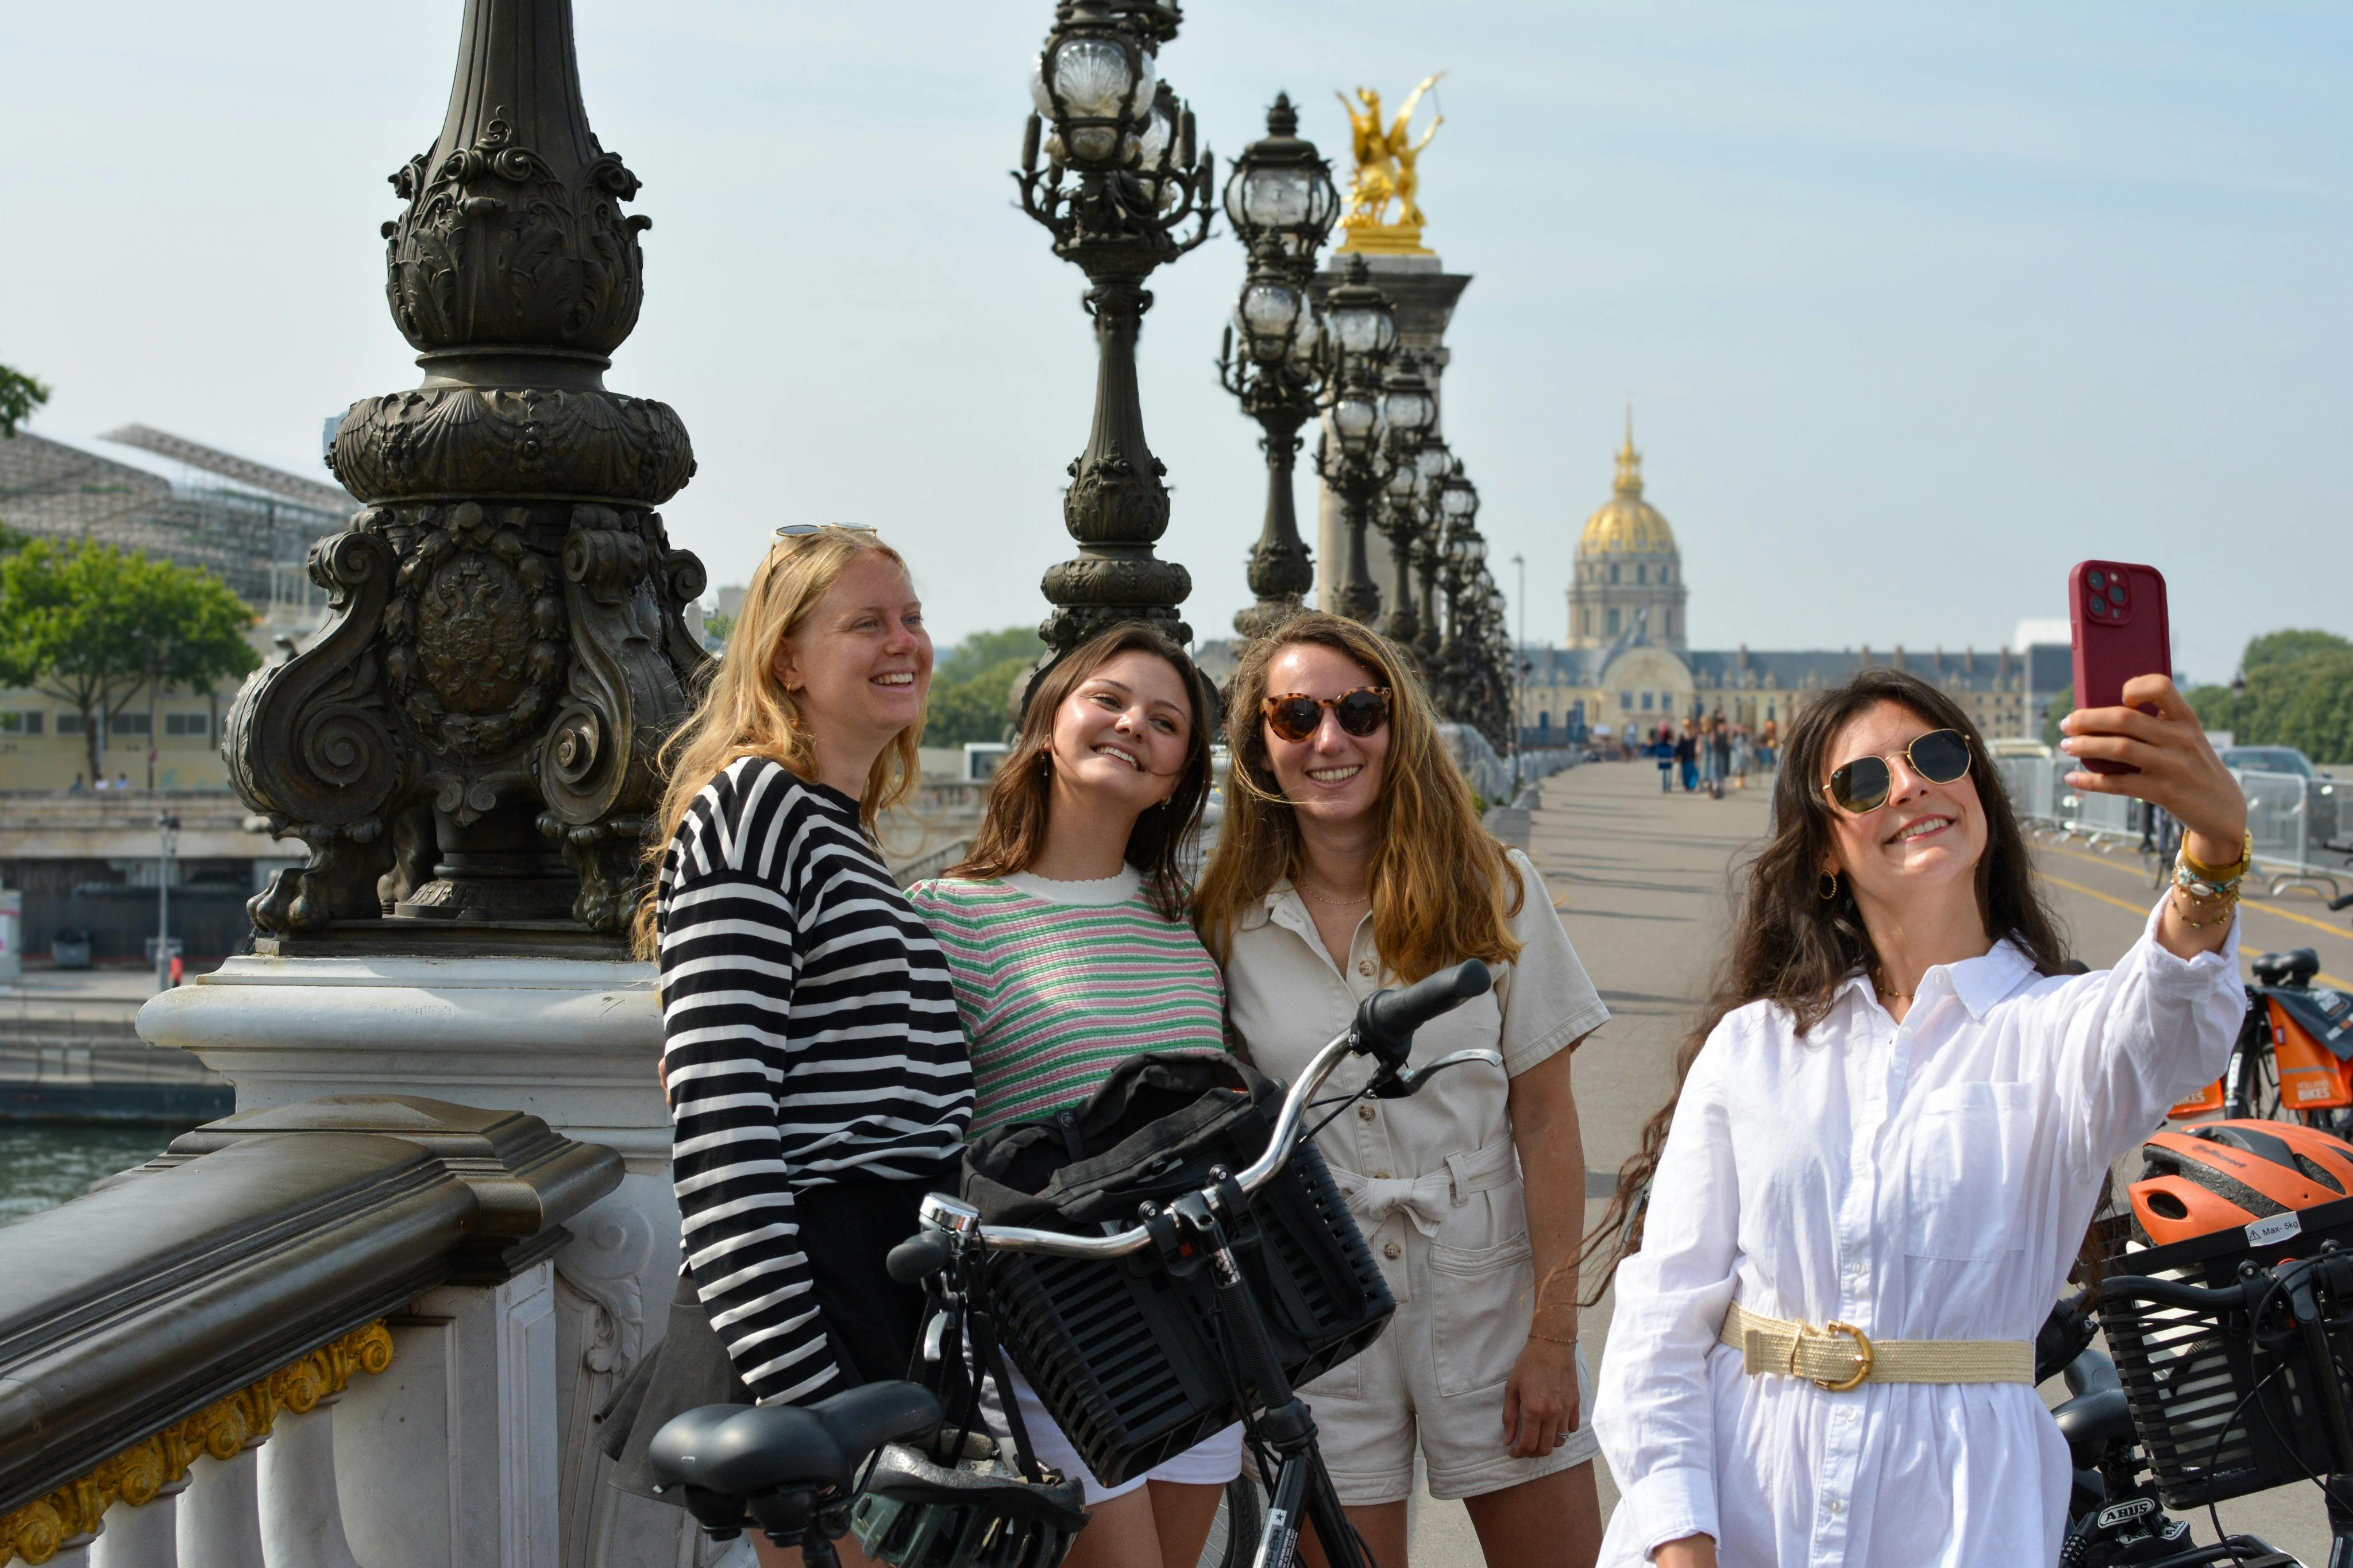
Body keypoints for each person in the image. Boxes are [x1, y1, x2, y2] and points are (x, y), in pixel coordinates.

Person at [1585, 667, 2249, 1567]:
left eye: (1936, 755)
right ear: (1824, 848)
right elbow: (1663, 1318)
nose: (1909, 784)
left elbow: (2168, 1016)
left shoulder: (2059, 1030)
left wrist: (2212, 847)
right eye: (1863, 781)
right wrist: (1680, 1540)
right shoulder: (1754, 1047)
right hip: (1745, 1508)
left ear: (1978, 791)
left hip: (1957, 1521)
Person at [1196, 611, 1611, 1568]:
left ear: (1399, 726)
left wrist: (1553, 1339)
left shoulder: (1494, 890)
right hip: (1317, 1307)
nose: (1330, 740)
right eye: (1295, 717)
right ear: (1260, 744)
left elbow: (1547, 1127)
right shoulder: (1226, 922)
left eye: (1359, 710)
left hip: (1487, 1293)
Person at [606, 526, 975, 1568]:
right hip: (818, 1288)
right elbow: (723, 1128)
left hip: (880, 1281)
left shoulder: (835, 828)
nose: (905, 642)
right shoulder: (755, 810)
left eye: (911, 618)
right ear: (785, 660)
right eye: (867, 622)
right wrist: (805, 1392)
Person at [905, 623, 1238, 1568]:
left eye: (1166, 722)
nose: (1133, 725)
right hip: (1048, 1326)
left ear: (1178, 776)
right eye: (1109, 700)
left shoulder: (1187, 927)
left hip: (1194, 1320)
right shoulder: (949, 917)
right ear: (1052, 721)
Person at [1674, 721, 1698, 793]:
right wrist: (1677, 755)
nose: (1688, 729)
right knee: (1685, 773)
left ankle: (1692, 786)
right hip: (1684, 758)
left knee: (1692, 772)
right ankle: (1686, 786)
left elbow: (1696, 747)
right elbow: (1679, 747)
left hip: (1692, 757)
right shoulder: (1682, 736)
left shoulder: (1694, 737)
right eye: (1686, 727)